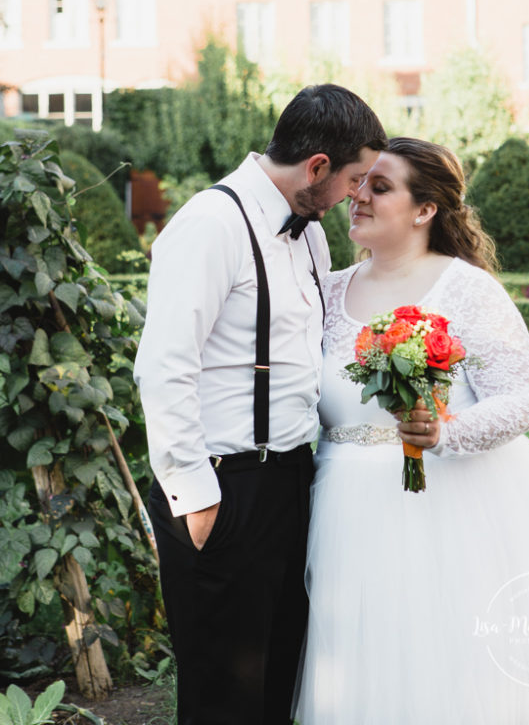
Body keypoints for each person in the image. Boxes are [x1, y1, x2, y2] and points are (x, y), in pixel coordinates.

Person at [294, 137, 529, 725]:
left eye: (380, 186)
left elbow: (522, 398)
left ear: (425, 210)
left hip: (447, 507)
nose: (359, 196)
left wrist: (443, 431)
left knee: (447, 667)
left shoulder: (466, 289)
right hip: (343, 505)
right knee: (361, 665)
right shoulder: (328, 289)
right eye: (359, 183)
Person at [134, 84, 387, 725]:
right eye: (355, 179)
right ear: (318, 168)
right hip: (223, 486)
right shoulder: (209, 224)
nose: (356, 196)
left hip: (292, 479)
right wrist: (194, 496)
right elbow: (164, 368)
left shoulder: (309, 236)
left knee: (281, 674)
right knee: (223, 693)